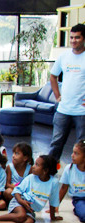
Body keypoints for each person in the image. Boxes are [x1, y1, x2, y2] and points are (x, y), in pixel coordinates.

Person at [0, 155, 62, 223]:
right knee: (21, 216)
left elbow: (53, 200)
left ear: (45, 170)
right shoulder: (31, 177)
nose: (33, 166)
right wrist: (21, 201)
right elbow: (17, 191)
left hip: (29, 209)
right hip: (18, 201)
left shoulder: (54, 182)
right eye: (34, 164)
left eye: (37, 165)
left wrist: (52, 216)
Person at [48, 23, 85, 162]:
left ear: (83, 39)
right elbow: (53, 76)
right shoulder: (64, 57)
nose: (73, 40)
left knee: (82, 146)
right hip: (63, 109)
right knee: (56, 143)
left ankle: (80, 175)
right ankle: (49, 172)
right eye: (71, 37)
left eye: (77, 37)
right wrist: (57, 95)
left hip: (82, 111)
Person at [59, 140, 85, 222]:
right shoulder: (69, 169)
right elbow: (63, 188)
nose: (72, 155)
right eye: (73, 152)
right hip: (79, 198)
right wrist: (55, 205)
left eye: (76, 153)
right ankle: (78, 209)